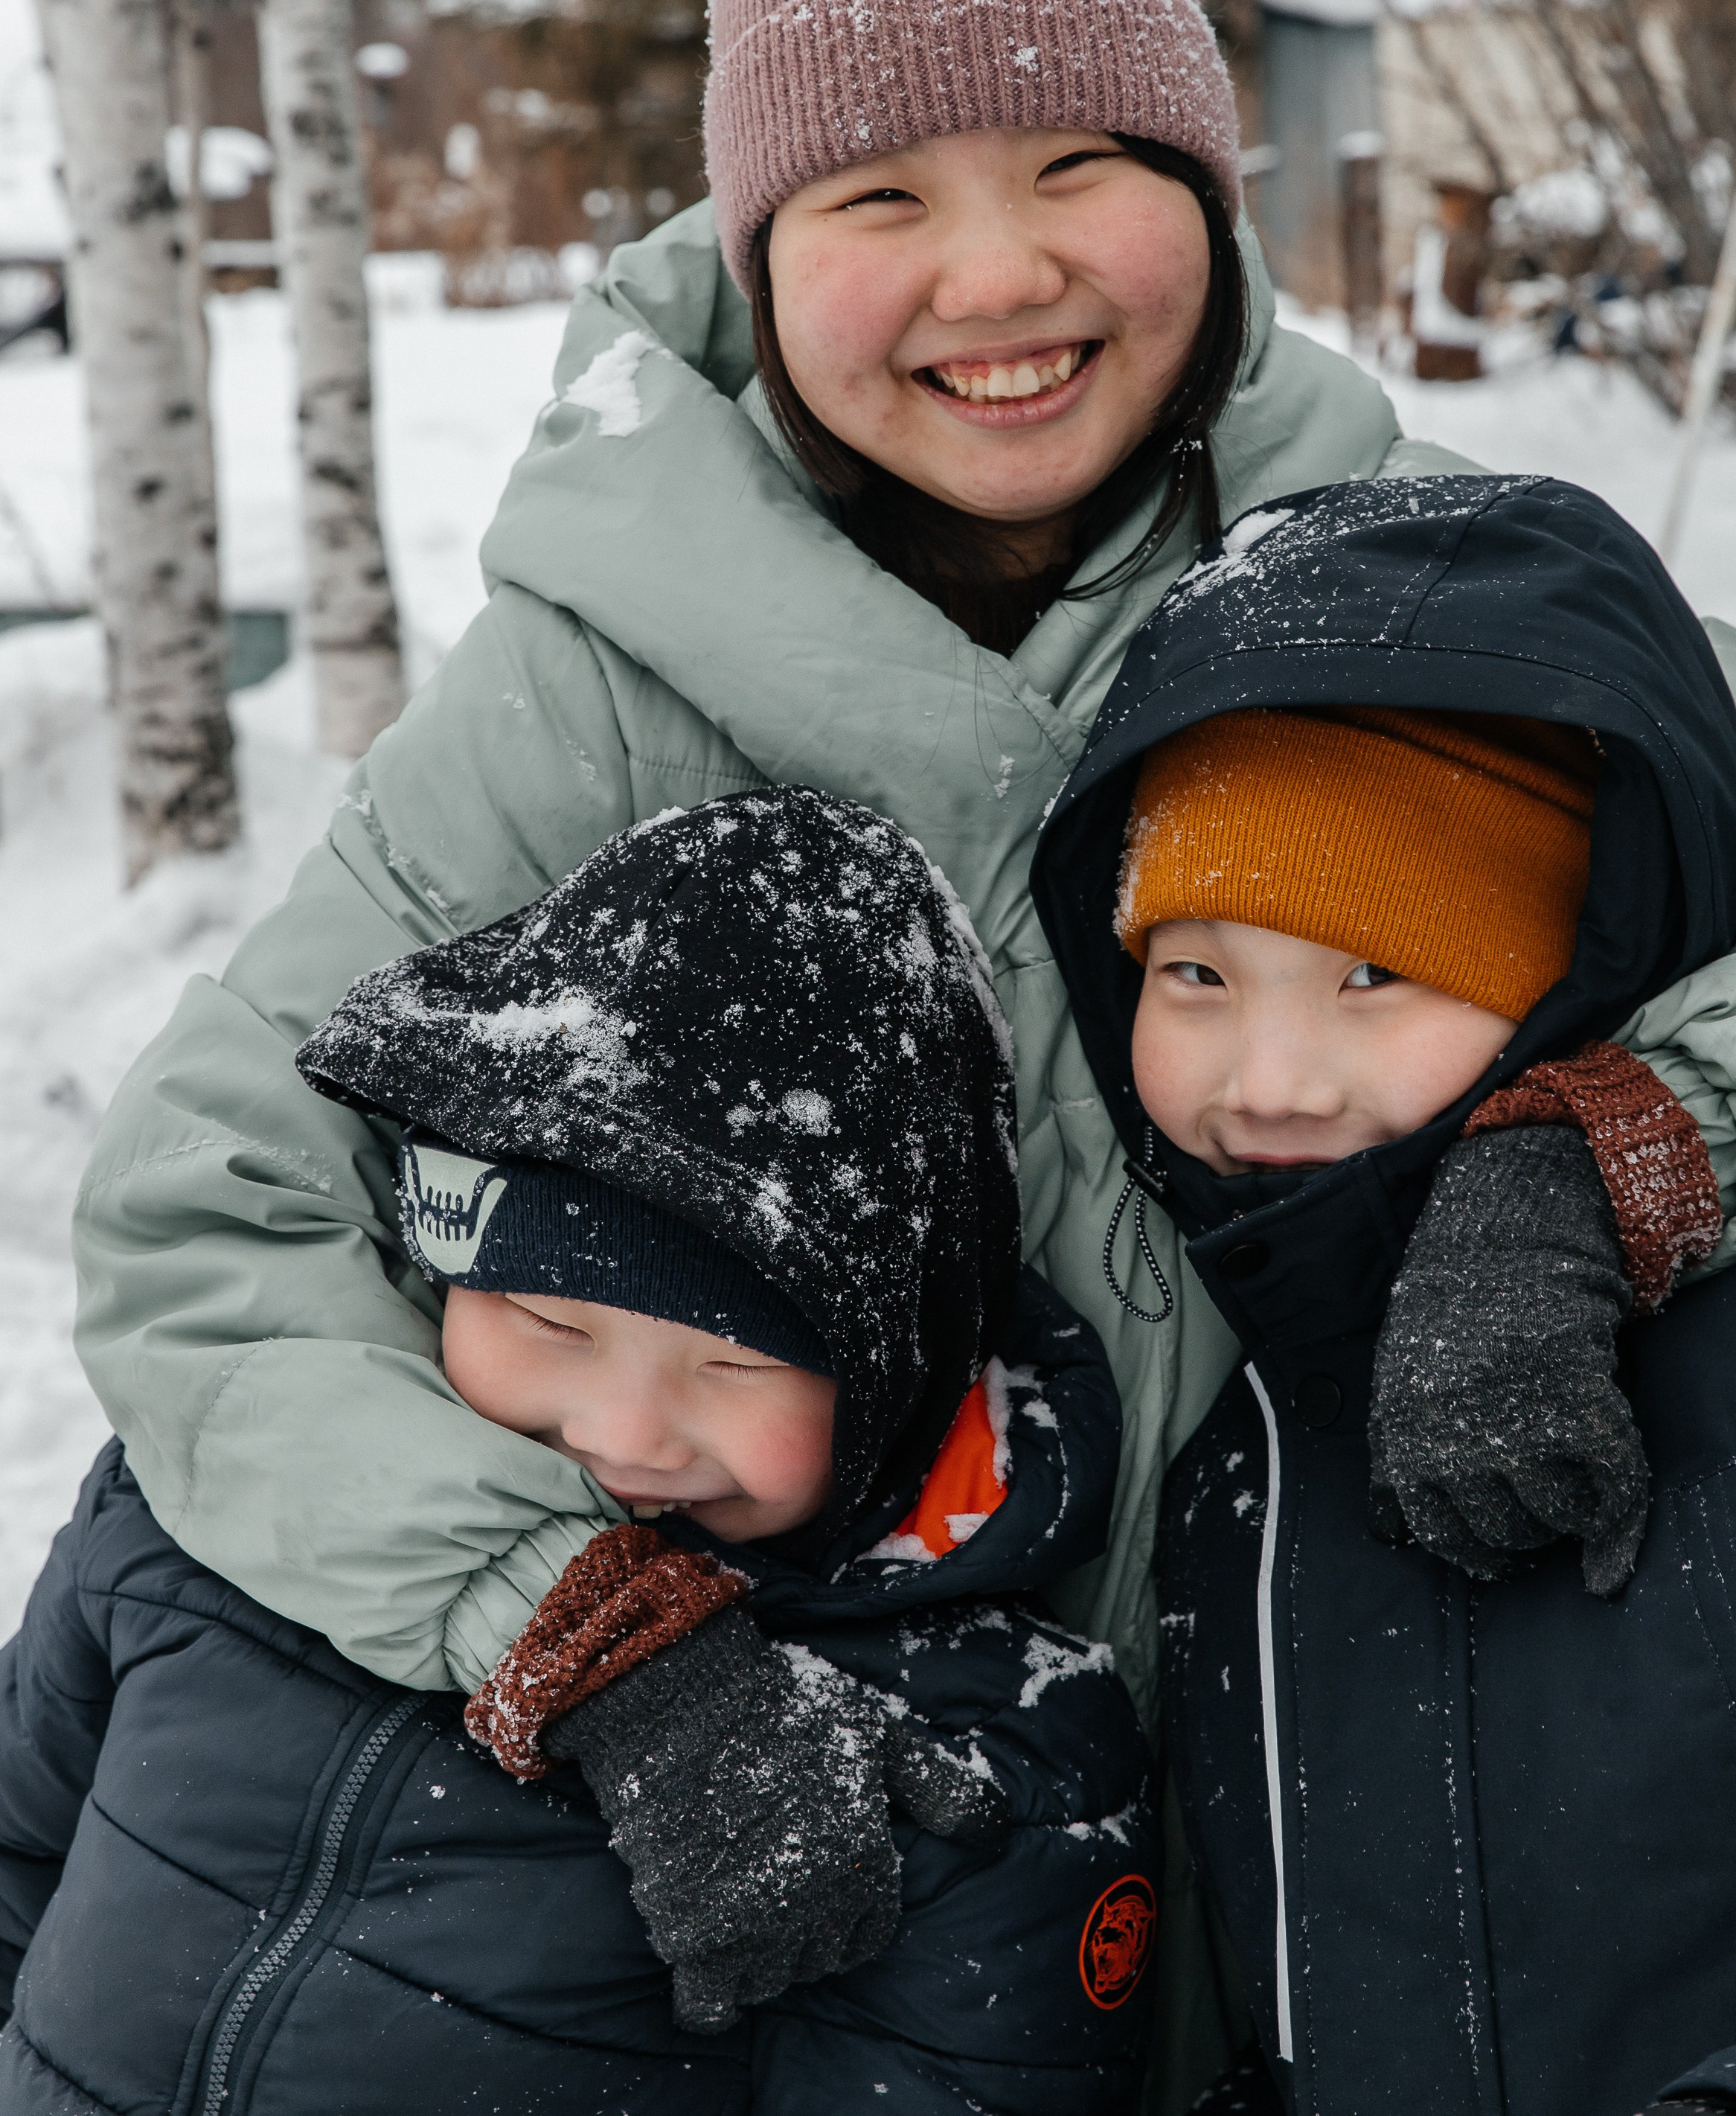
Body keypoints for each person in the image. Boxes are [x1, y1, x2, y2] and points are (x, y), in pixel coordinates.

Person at [63, 0, 1736, 2109]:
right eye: (874, 195)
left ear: (1207, 186)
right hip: (868, 1950)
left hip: (1384, 1913)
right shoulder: (595, 686)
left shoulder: (1414, 594)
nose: (994, 271)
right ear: (759, 254)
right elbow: (208, 1213)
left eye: (1077, 162)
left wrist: (1619, 1139)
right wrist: (570, 1613)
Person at [0, 789, 1160, 2111]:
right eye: (550, 1323)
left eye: (736, 1364)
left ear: (897, 1382)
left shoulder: (973, 1758)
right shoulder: (210, 1520)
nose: (619, 1434)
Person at [1032, 473, 1736, 2116]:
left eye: (1375, 975)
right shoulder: (1226, 1423)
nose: (1268, 1082)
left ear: (1576, 974)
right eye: (1193, 974)